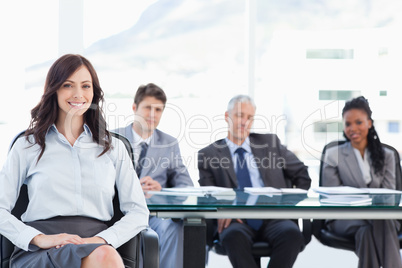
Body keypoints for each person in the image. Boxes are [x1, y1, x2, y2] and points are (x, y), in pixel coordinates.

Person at [0, 54, 149, 268]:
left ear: (94, 93)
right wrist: (39, 238)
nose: (78, 94)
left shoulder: (113, 148)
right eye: (68, 85)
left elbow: (138, 212)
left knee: (105, 257)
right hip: (41, 249)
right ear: (55, 89)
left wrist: (101, 240)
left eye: (86, 86)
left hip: (96, 246)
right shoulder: (28, 145)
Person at [198, 95, 311, 268]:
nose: (244, 121)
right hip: (236, 219)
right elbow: (208, 194)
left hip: (274, 216)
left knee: (291, 234)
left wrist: (288, 206)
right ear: (227, 117)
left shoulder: (270, 143)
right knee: (233, 236)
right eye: (239, 115)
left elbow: (302, 175)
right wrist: (224, 210)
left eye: (249, 117)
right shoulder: (209, 154)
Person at [112, 83, 193, 268]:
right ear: (134, 108)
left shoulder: (169, 143)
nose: (152, 114)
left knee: (174, 229)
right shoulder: (113, 138)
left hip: (155, 216)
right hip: (120, 215)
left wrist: (161, 189)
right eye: (148, 107)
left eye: (158, 110)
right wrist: (129, 187)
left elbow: (186, 186)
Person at [322, 96, 402, 268]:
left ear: (369, 123)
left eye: (359, 122)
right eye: (348, 124)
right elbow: (334, 198)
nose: (353, 128)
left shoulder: (387, 155)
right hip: (345, 217)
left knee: (366, 233)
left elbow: (389, 197)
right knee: (381, 222)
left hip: (382, 216)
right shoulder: (333, 155)